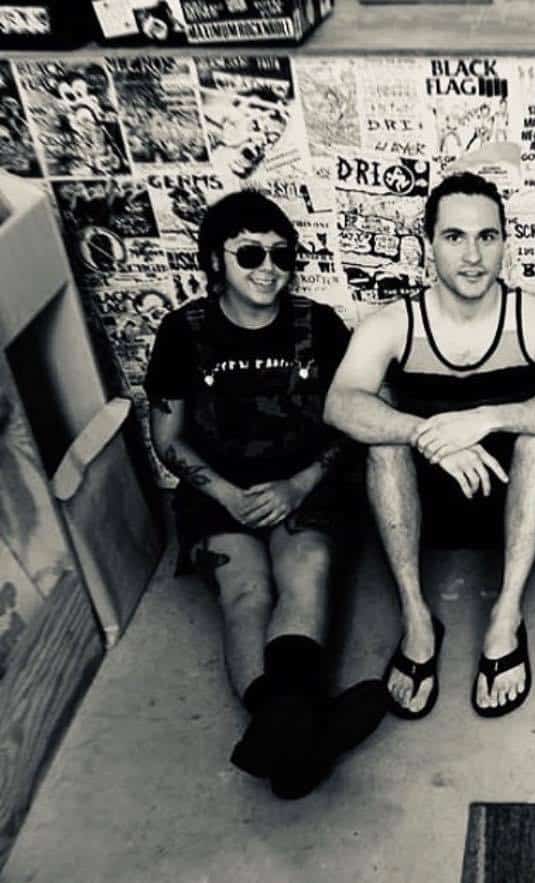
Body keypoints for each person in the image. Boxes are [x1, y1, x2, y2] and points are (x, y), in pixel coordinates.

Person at [323, 172, 535, 721]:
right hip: (418, 513)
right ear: (429, 246)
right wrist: (429, 436)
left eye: (487, 237)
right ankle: (418, 620)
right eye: (454, 237)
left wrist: (486, 418)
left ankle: (505, 617)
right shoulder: (396, 322)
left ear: (503, 243)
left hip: (512, 512)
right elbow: (340, 405)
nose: (472, 255)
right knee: (382, 445)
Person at [144, 190, 387, 800]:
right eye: (249, 253)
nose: (268, 267)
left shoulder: (319, 326)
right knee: (245, 588)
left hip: (306, 481)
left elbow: (351, 420)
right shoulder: (183, 333)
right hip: (217, 491)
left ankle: (284, 733)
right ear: (214, 260)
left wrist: (300, 482)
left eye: (281, 253)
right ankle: (302, 731)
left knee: (307, 566)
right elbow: (166, 437)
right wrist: (225, 493)